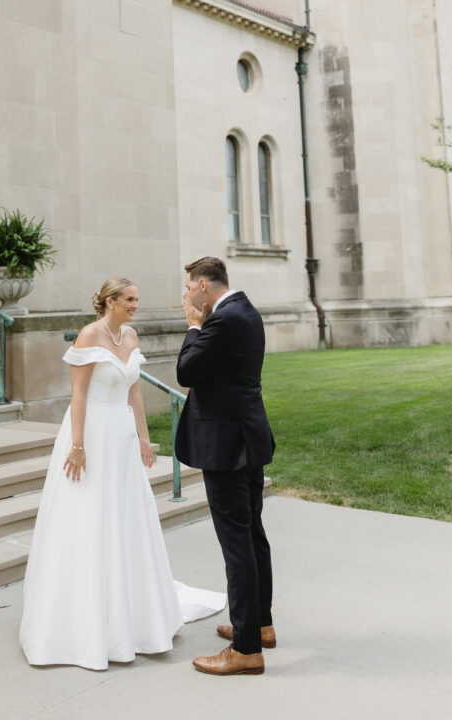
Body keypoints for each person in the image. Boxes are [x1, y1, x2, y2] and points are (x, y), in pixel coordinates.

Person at [19, 277, 225, 671]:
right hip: (92, 434)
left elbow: (133, 392)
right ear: (110, 301)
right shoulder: (88, 336)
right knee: (89, 515)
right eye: (129, 299)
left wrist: (145, 439)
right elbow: (77, 396)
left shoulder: (129, 336)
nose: (135, 305)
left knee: (127, 518)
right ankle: (85, 620)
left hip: (123, 439)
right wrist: (77, 446)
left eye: (136, 299)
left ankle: (133, 613)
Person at [175, 256, 276, 676]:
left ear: (202, 285)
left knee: (237, 543)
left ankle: (246, 648)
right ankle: (259, 624)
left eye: (187, 288)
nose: (185, 295)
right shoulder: (245, 310)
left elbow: (187, 371)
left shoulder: (220, 321)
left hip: (227, 445)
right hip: (247, 438)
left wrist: (192, 325)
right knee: (252, 535)